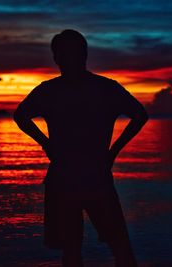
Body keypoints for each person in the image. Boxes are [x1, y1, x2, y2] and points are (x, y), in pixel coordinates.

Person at [14, 29, 148, 267]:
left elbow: (21, 116)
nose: (68, 58)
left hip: (78, 177)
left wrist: (47, 144)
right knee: (112, 248)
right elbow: (140, 115)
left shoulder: (54, 90)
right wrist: (112, 153)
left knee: (81, 250)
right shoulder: (101, 88)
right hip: (83, 176)